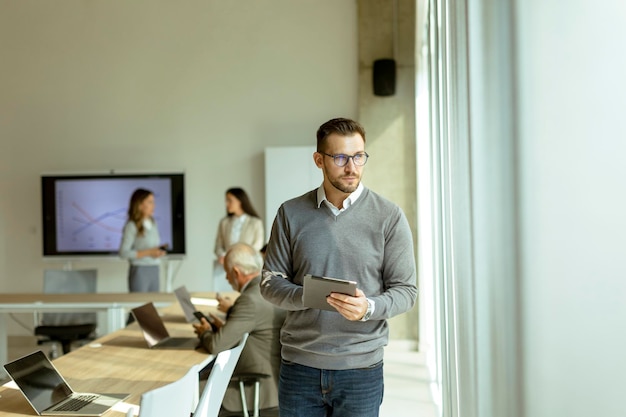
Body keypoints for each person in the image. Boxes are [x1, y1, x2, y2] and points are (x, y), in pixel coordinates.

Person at [260, 117, 418, 417]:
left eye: (359, 156)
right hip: (299, 366)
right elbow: (270, 283)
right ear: (319, 160)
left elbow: (406, 291)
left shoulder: (389, 216)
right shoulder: (290, 213)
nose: (352, 167)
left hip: (360, 369)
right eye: (341, 158)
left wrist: (368, 307)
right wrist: (308, 295)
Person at [194, 242, 286, 415]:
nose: (227, 279)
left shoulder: (250, 299)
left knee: (187, 388)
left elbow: (216, 345)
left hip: (254, 385)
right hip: (274, 381)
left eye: (227, 273)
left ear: (236, 272)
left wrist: (204, 332)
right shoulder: (271, 288)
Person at [213, 187, 264, 291]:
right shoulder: (224, 223)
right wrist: (222, 255)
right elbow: (218, 245)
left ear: (240, 201)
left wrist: (240, 259)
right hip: (225, 267)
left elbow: (257, 246)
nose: (226, 204)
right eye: (226, 200)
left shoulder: (255, 222)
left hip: (247, 267)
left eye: (229, 200)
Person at [119, 188, 166, 292]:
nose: (154, 205)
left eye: (153, 202)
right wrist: (149, 252)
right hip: (140, 271)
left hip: (154, 268)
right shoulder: (131, 226)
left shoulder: (153, 223)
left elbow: (152, 247)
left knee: (154, 306)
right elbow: (123, 253)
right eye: (150, 202)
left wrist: (157, 252)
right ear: (140, 205)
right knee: (141, 306)